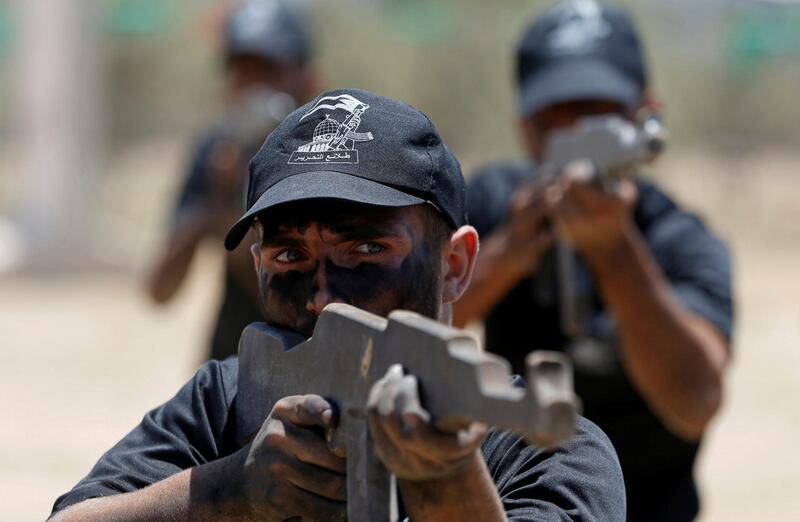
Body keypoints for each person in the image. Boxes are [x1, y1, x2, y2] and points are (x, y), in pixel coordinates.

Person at [50, 89, 626, 521]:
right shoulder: (226, 401)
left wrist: (447, 477)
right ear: (257, 266)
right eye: (289, 257)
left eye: (367, 249)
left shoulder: (547, 449)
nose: (324, 298)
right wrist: (233, 490)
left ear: (454, 265)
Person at [454, 2, 733, 520]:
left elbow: (696, 400)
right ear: (525, 128)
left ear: (645, 111)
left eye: (596, 112)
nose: (576, 131)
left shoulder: (676, 237)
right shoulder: (494, 206)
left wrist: (615, 252)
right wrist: (508, 253)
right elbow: (400, 334)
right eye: (556, 118)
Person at [146, 0, 319, 361]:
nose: (253, 88)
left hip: (308, 360)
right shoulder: (217, 153)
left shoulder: (323, 151)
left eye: (268, 71)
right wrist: (215, 204)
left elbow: (294, 308)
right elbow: (160, 290)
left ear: (305, 79)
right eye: (243, 72)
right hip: (232, 361)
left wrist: (236, 219)